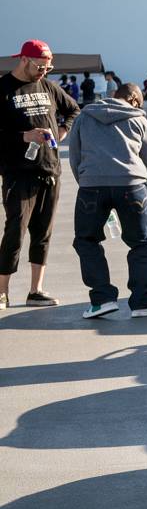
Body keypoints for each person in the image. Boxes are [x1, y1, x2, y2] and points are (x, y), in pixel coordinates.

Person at [67, 82, 147, 318]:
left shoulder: (84, 117)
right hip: (132, 186)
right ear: (132, 99)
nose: (139, 106)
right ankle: (143, 304)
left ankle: (102, 299)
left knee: (86, 240)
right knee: (142, 244)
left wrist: (87, 182)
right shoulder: (139, 120)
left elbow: (74, 155)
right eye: (139, 103)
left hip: (91, 186)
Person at [1, 40, 79, 308]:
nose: (44, 72)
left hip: (49, 168)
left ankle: (36, 290)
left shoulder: (48, 87)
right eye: (40, 66)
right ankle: (2, 292)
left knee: (43, 232)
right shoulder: (4, 89)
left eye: (48, 67)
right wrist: (24, 136)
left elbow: (73, 109)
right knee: (14, 231)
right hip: (17, 172)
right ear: (23, 60)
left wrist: (62, 131)